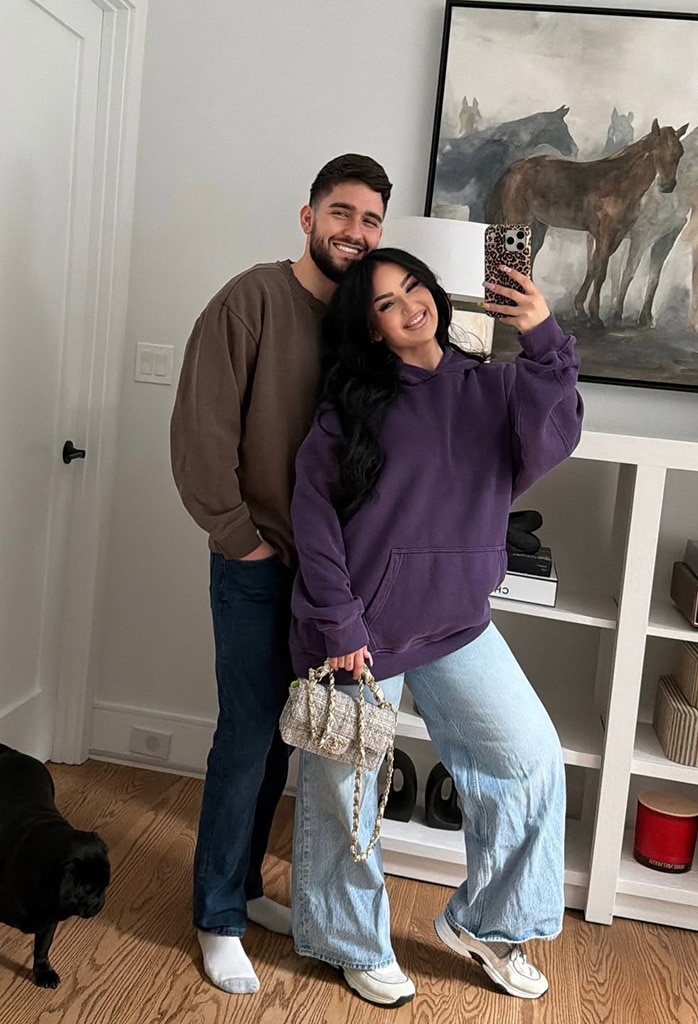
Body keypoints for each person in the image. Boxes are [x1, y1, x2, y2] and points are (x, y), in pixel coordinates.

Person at [289, 247, 583, 1007]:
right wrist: (338, 621)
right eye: (386, 303)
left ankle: (489, 925)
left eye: (414, 288)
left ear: (436, 295)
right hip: (358, 635)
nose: (409, 306)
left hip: (458, 622)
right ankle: (350, 942)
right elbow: (313, 516)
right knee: (347, 798)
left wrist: (543, 332)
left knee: (530, 761)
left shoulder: (493, 387)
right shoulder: (353, 403)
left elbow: (557, 428)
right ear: (372, 327)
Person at [169, 154, 392, 995]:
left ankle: (242, 886)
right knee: (247, 736)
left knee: (289, 742)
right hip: (258, 565)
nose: (355, 232)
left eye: (370, 221)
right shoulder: (251, 301)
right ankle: (216, 916)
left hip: (329, 583)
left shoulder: (364, 324)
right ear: (308, 218)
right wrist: (243, 542)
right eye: (341, 213)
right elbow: (200, 437)